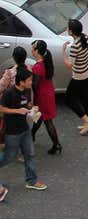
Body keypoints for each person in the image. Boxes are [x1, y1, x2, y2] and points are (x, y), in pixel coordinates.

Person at [0, 65, 42, 193]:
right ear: (21, 82)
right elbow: (1, 109)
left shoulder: (27, 90)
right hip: (12, 132)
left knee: (29, 154)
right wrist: (17, 111)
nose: (31, 82)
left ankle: (32, 181)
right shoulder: (9, 93)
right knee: (9, 157)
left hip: (25, 129)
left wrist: (33, 109)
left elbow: (27, 104)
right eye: (29, 80)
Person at [61, 20, 88, 136]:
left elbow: (69, 65)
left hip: (79, 76)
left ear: (71, 31)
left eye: (67, 27)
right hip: (87, 72)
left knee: (69, 99)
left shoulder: (74, 46)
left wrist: (63, 51)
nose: (66, 29)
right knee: (84, 98)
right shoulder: (85, 37)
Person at [28, 40, 60, 155]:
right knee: (40, 116)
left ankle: (56, 144)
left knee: (47, 120)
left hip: (42, 96)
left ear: (37, 51)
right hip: (48, 92)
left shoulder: (37, 67)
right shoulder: (46, 62)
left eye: (33, 49)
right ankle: (32, 134)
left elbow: (35, 85)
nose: (32, 50)